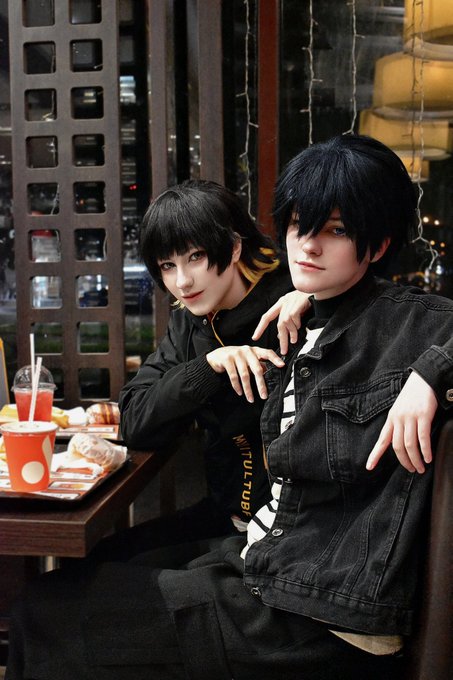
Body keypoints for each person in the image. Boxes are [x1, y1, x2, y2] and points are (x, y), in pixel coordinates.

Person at [6, 135, 453, 680]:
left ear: (378, 245)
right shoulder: (295, 315)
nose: (308, 246)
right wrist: (214, 363)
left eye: (335, 231)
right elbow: (138, 416)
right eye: (299, 225)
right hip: (267, 562)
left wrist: (431, 376)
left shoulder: (400, 320)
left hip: (316, 608)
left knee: (47, 618)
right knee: (54, 599)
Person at [92, 179, 306, 561]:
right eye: (168, 266)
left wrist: (314, 297)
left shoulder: (296, 299)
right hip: (225, 519)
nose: (182, 281)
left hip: (289, 538)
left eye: (195, 257)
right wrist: (206, 368)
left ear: (235, 246)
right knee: (98, 559)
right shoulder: (189, 322)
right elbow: (135, 420)